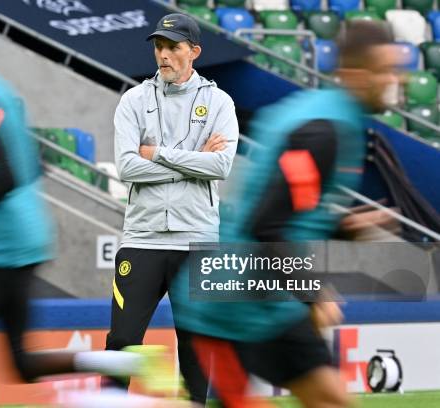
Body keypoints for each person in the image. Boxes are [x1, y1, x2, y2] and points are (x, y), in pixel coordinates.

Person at [0, 6, 172, 407]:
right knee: (20, 363)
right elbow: (32, 160)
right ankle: (123, 362)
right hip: (26, 239)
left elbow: (5, 174)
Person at [170, 21, 404, 408]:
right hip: (227, 307)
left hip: (269, 300)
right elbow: (267, 224)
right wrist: (315, 295)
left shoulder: (325, 116)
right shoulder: (323, 130)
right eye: (385, 71)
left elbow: (286, 207)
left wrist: (343, 226)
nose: (396, 81)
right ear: (354, 75)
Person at [108, 12, 239, 403]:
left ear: (193, 51)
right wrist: (190, 162)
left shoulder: (219, 101)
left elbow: (221, 166)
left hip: (198, 241)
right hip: (142, 239)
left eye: (173, 47)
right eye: (159, 47)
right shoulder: (133, 99)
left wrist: (159, 155)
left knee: (198, 344)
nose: (163, 55)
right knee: (123, 341)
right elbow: (127, 167)